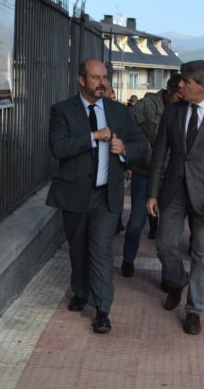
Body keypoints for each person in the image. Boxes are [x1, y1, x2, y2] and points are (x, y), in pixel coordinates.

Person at [46, 59, 146, 333]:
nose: (102, 82)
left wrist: (124, 148)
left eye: (105, 77)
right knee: (78, 250)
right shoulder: (62, 111)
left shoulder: (120, 112)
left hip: (106, 196)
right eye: (95, 78)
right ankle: (80, 291)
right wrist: (93, 136)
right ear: (81, 80)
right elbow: (58, 147)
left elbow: (140, 144)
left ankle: (102, 310)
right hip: (75, 194)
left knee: (101, 251)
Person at [147, 60, 204, 335]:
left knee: (201, 253)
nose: (180, 85)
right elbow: (160, 154)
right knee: (164, 246)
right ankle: (178, 281)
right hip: (173, 192)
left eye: (185, 82)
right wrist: (152, 193)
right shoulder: (172, 111)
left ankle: (193, 310)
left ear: (202, 85)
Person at [121, 74, 183, 282]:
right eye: (178, 94)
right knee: (136, 222)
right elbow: (127, 126)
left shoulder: (186, 110)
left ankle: (166, 276)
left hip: (169, 176)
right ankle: (128, 259)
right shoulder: (147, 105)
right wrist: (140, 142)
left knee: (167, 230)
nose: (182, 98)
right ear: (169, 90)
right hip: (144, 172)